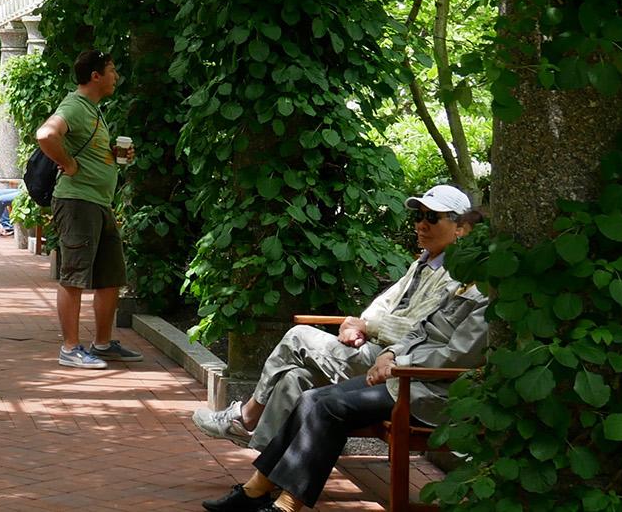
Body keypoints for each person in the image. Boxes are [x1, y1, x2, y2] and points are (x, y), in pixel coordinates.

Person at [202, 200, 490, 512]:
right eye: (419, 216)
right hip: (400, 373)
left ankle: (284, 502)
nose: (421, 224)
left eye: (431, 218)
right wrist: (390, 352)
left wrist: (395, 361)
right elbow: (418, 329)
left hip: (427, 389)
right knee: (309, 396)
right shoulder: (452, 277)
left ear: (465, 235)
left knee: (327, 404)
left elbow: (457, 355)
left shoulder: (482, 293)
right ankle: (255, 489)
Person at [34, 49, 140, 369]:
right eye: (111, 70)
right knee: (74, 276)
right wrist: (67, 163)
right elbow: (46, 134)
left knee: (110, 276)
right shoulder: (75, 106)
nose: (116, 76)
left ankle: (103, 343)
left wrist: (112, 155)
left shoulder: (94, 110)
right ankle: (70, 348)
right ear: (95, 75)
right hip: (78, 202)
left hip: (99, 203)